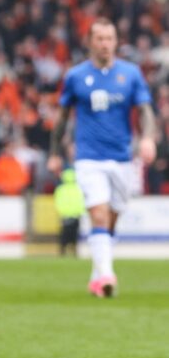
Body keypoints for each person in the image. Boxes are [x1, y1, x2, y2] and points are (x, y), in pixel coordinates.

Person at [47, 17, 156, 297]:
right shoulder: (76, 76)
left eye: (110, 38)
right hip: (89, 158)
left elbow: (145, 110)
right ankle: (106, 277)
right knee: (99, 214)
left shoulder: (130, 74)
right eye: (100, 38)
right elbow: (61, 118)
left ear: (116, 42)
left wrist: (146, 137)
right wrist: (55, 152)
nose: (105, 44)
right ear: (89, 42)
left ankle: (98, 271)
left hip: (122, 159)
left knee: (111, 220)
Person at [53, 167, 85, 256]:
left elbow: (58, 202)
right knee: (74, 235)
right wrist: (81, 212)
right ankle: (74, 251)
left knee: (64, 235)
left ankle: (63, 252)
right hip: (76, 216)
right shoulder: (78, 188)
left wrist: (61, 213)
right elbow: (82, 202)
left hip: (65, 216)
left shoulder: (60, 189)